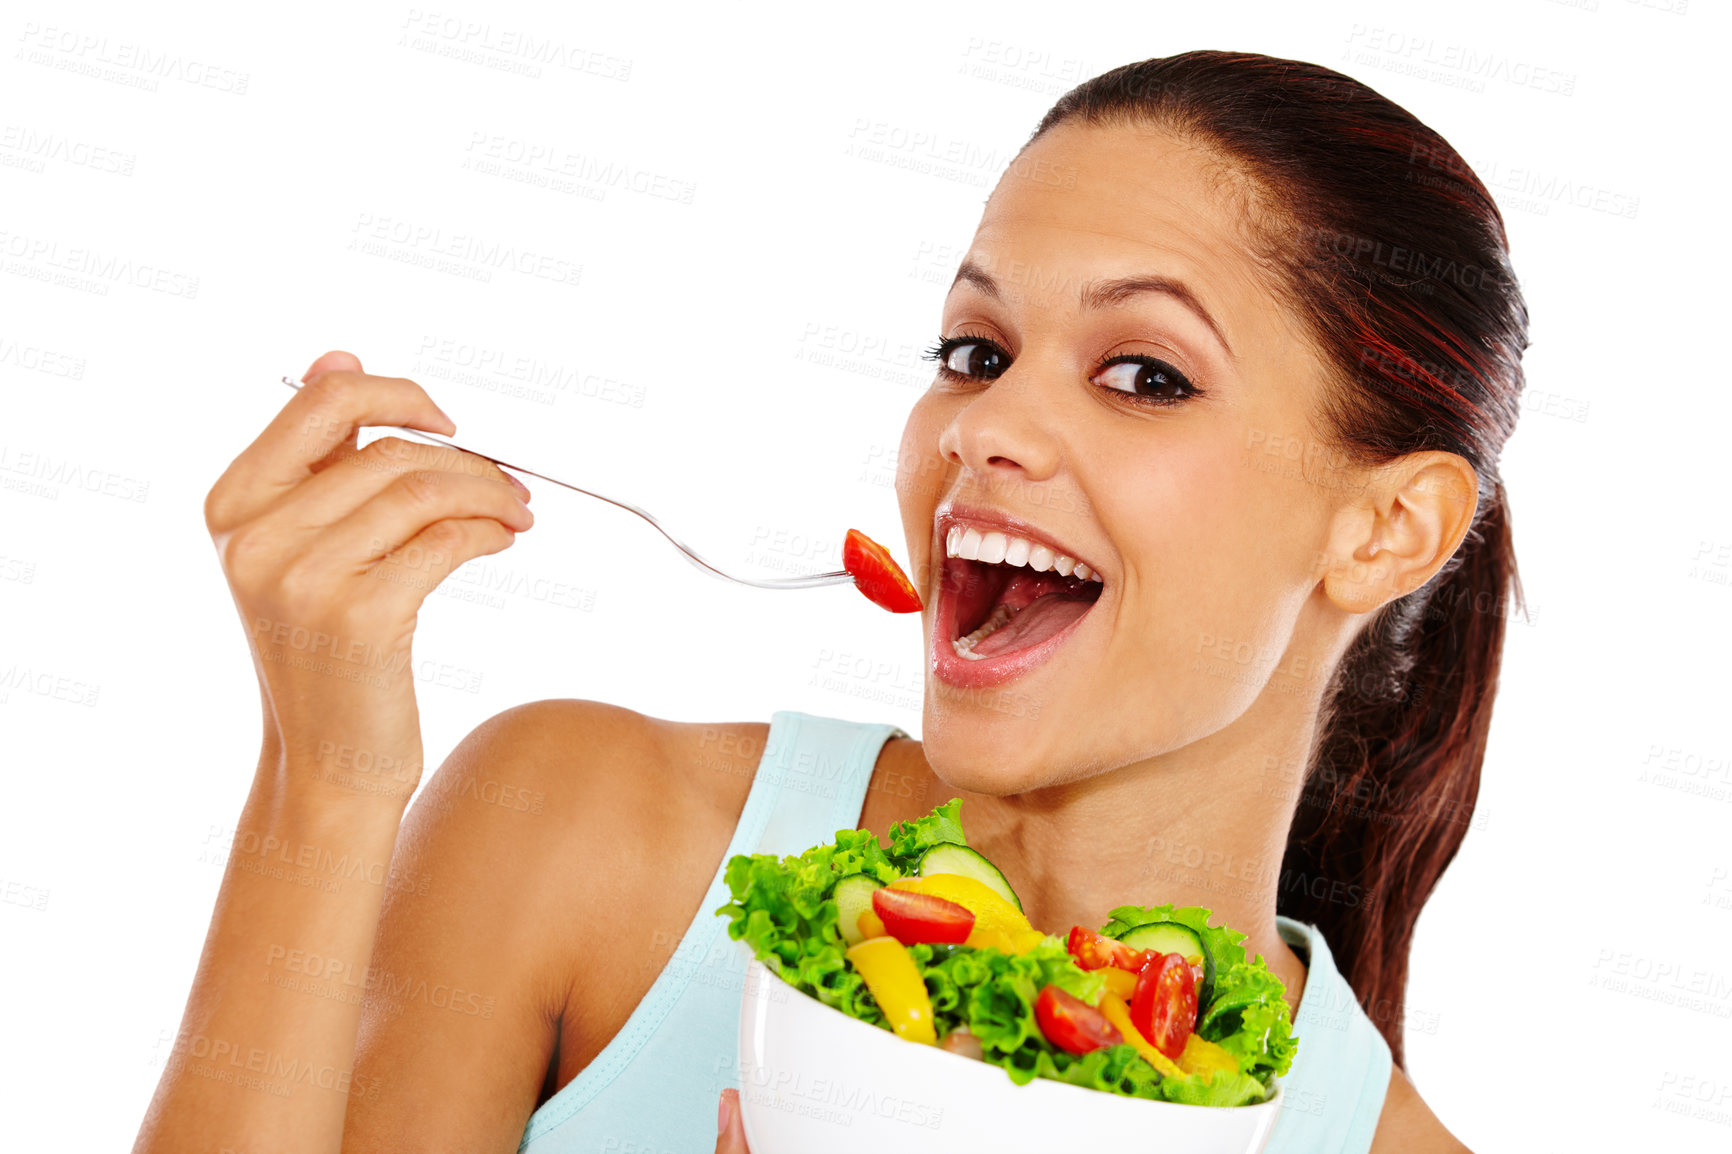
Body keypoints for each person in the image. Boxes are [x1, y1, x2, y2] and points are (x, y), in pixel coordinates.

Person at [134, 51, 1524, 1154]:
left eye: (1144, 374)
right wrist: (325, 779)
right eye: (976, 349)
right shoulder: (589, 830)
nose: (984, 429)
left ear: (1388, 529)